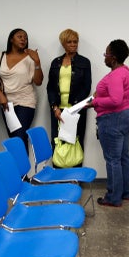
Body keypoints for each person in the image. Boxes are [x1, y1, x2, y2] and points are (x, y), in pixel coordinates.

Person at [88, 39, 129, 208]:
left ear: (113, 57)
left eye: (106, 54)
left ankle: (113, 197)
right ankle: (124, 192)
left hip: (113, 118)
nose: (104, 57)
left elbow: (115, 100)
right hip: (126, 115)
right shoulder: (126, 71)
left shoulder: (116, 74)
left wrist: (95, 102)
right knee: (122, 157)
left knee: (113, 160)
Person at [0, 28, 43, 147]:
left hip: (25, 102)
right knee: (14, 139)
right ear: (11, 39)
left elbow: (38, 81)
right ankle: (19, 165)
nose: (23, 39)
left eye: (25, 37)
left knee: (19, 137)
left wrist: (37, 62)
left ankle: (22, 166)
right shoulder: (1, 56)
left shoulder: (30, 58)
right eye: (20, 36)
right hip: (6, 103)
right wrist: (0, 95)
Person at [47, 28, 92, 159]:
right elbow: (50, 87)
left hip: (77, 109)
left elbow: (86, 86)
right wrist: (54, 107)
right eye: (69, 42)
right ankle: (59, 174)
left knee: (76, 141)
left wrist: (73, 108)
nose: (73, 44)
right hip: (57, 109)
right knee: (57, 140)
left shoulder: (84, 62)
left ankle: (75, 177)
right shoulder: (55, 62)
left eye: (75, 41)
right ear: (63, 43)